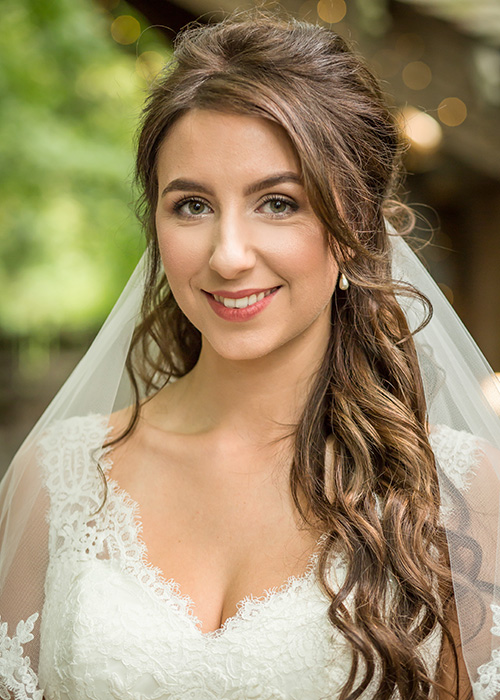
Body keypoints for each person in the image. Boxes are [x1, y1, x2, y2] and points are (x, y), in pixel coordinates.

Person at [1, 9, 500, 700]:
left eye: (277, 203)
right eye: (193, 206)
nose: (228, 255)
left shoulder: (458, 489)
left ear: (354, 229)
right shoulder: (56, 478)